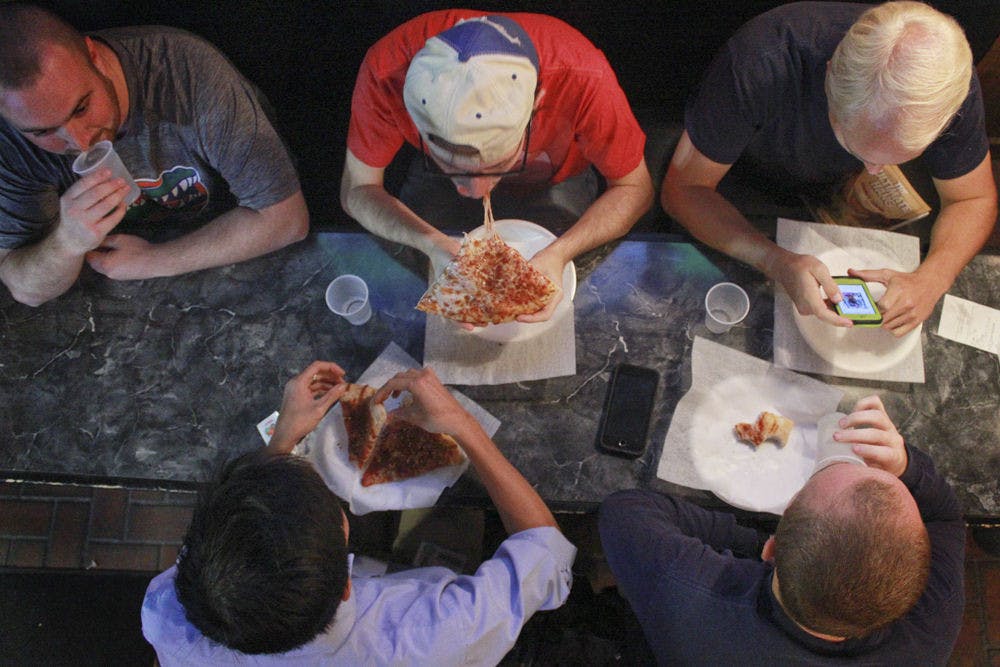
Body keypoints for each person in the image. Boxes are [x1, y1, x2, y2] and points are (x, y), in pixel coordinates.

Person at [141, 361, 576, 664]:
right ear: (347, 586)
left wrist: (280, 446)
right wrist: (464, 426)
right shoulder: (431, 635)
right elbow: (548, 556)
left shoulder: (168, 617)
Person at [661, 1, 996, 337]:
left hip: (827, 196)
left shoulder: (947, 86)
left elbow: (972, 200)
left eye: (898, 157)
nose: (875, 171)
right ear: (829, 74)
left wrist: (933, 277)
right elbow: (684, 190)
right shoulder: (762, 61)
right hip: (743, 177)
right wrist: (774, 260)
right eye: (859, 148)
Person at [599, 395, 964, 664]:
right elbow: (946, 516)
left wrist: (752, 543)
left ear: (771, 551)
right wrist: (905, 466)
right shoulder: (932, 624)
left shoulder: (688, 594)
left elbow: (626, 510)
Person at [340, 11, 653, 323]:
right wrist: (431, 244)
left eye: (498, 164)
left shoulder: (580, 73)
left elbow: (635, 189)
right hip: (435, 185)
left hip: (556, 176)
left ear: (537, 102)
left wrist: (560, 253)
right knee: (412, 293)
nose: (475, 193)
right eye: (451, 165)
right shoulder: (386, 69)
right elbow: (357, 189)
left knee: (573, 300)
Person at [0, 3, 309, 307]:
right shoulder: (11, 139)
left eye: (81, 108)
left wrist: (152, 260)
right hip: (120, 295)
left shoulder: (186, 72)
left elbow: (286, 219)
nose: (80, 142)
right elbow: (25, 288)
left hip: (227, 245)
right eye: (43, 132)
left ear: (94, 57)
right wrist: (66, 242)